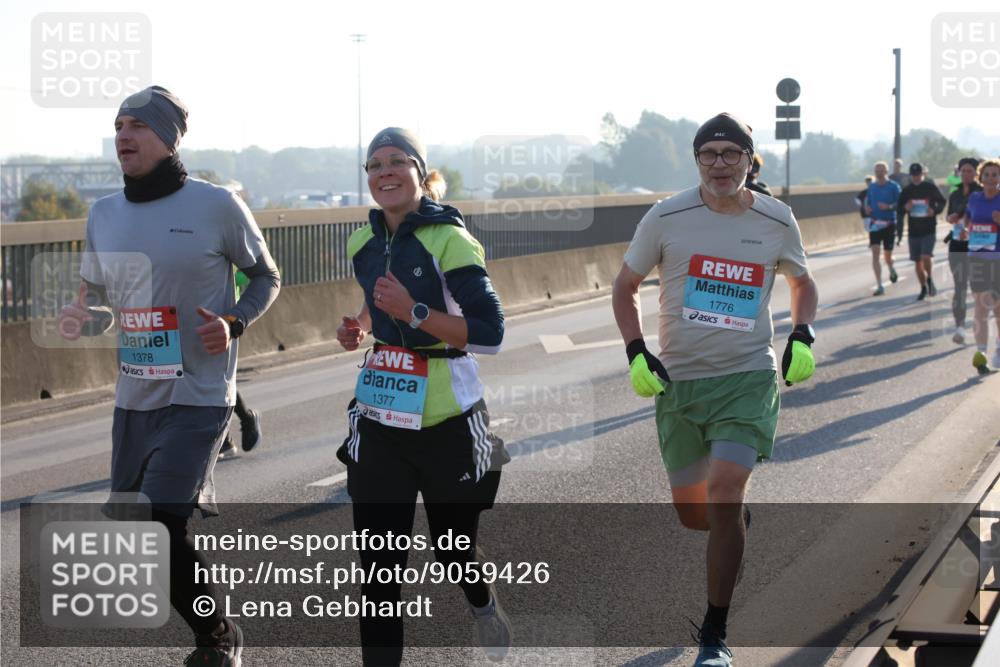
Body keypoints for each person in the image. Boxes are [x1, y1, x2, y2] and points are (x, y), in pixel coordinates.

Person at [58, 85, 280, 667]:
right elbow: (107, 306)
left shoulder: (217, 205)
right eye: (118, 125)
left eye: (136, 125)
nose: (123, 136)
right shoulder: (103, 214)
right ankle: (217, 626)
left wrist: (233, 321)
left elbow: (266, 278)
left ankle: (216, 637)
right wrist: (86, 319)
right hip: (135, 394)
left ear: (168, 137)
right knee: (143, 529)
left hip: (201, 393)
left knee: (162, 518)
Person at [611, 113, 818, 667]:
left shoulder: (777, 219)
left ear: (751, 161)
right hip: (681, 382)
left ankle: (714, 633)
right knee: (696, 515)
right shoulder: (666, 215)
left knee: (726, 492)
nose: (720, 164)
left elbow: (802, 281)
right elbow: (626, 287)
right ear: (696, 160)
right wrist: (636, 350)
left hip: (747, 376)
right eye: (710, 154)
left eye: (732, 154)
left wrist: (802, 333)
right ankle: (733, 524)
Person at [334, 127, 510, 666]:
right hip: (382, 417)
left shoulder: (449, 239)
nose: (384, 172)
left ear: (419, 173)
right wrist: (363, 324)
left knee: (453, 554)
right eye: (374, 165)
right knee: (379, 572)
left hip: (448, 420)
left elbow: (490, 331)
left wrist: (414, 312)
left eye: (396, 162)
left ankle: (481, 602)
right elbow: (376, 296)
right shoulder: (361, 241)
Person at [218, 269, 263, 459]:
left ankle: (246, 420)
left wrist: (227, 276)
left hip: (224, 322)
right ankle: (224, 441)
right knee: (206, 381)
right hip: (189, 318)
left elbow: (250, 274)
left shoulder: (228, 241)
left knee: (219, 379)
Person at [963, 158, 1000, 374]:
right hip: (977, 257)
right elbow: (968, 220)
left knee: (997, 308)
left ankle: (998, 349)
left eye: (995, 174)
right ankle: (981, 354)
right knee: (980, 305)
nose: (990, 178)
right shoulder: (974, 198)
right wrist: (964, 229)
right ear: (980, 177)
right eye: (986, 175)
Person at [944, 158, 982, 343]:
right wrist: (951, 217)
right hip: (958, 243)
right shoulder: (955, 194)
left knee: (979, 289)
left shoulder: (983, 192)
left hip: (979, 244)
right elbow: (948, 215)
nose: (966, 174)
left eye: (970, 171)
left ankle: (980, 326)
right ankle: (960, 327)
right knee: (959, 286)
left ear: (976, 173)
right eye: (963, 171)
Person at [897, 163, 947, 300]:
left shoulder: (930, 188)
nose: (916, 177)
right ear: (910, 176)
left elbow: (942, 202)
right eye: (913, 175)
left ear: (922, 174)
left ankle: (930, 278)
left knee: (926, 256)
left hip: (929, 228)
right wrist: (905, 207)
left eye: (918, 175)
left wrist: (934, 210)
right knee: (917, 262)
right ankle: (923, 287)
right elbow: (899, 209)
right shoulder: (906, 191)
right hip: (914, 231)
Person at [866, 161, 902, 296]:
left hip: (889, 224)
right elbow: (868, 203)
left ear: (886, 172)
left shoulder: (894, 187)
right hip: (875, 224)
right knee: (875, 254)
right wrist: (868, 208)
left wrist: (888, 207)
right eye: (877, 171)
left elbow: (900, 204)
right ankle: (880, 284)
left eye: (881, 170)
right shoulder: (872, 187)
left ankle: (891, 268)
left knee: (887, 256)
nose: (879, 173)